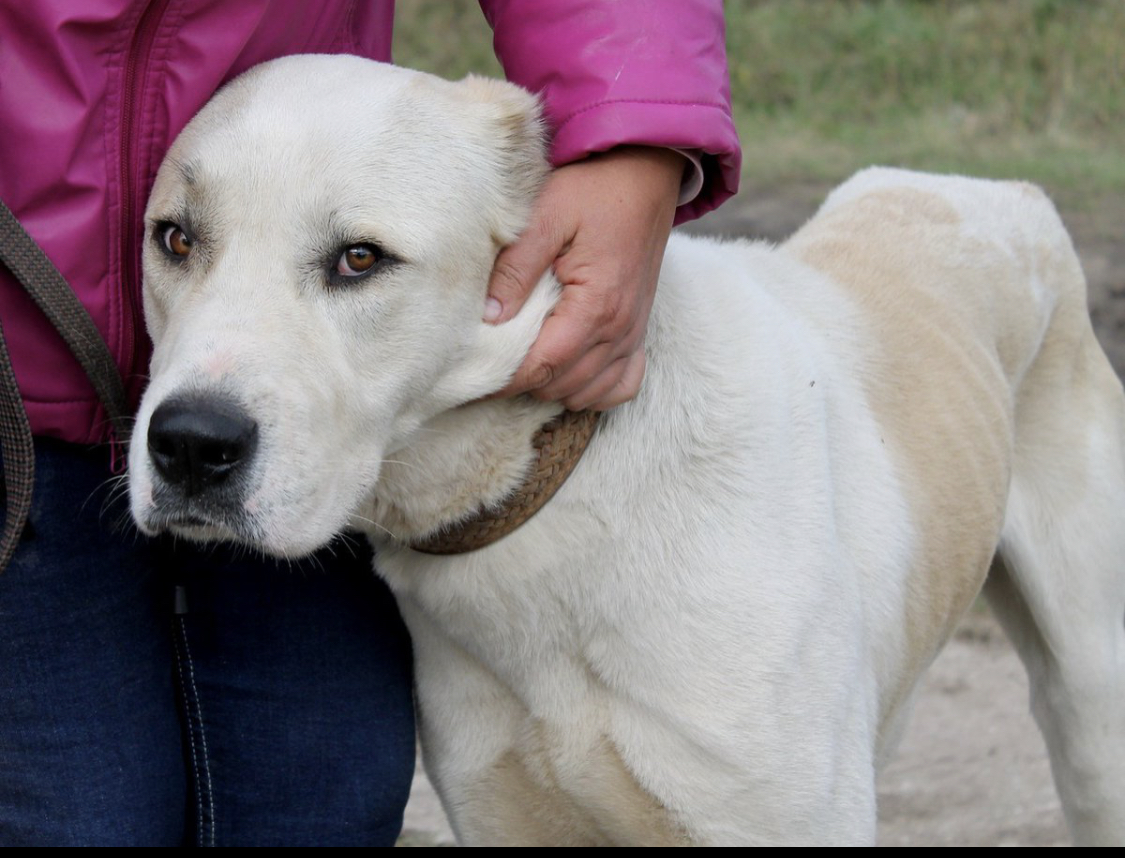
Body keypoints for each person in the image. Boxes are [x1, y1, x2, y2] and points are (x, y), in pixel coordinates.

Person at [0, 1, 740, 846]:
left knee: (319, 808)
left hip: (353, 477)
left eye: (357, 260)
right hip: (14, 400)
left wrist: (631, 135)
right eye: (178, 242)